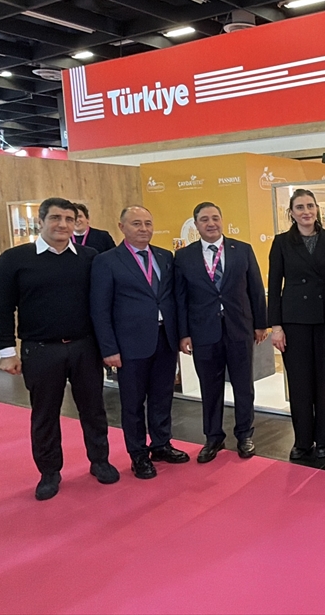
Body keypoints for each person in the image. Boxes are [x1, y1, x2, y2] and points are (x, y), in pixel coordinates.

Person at [0, 197, 118, 501]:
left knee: (94, 409)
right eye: (55, 218)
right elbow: (2, 308)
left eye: (69, 219)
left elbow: (103, 305)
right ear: (41, 221)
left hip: (85, 347)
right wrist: (6, 351)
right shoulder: (14, 259)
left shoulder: (90, 257)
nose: (63, 224)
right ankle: (49, 472)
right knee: (45, 414)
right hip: (40, 350)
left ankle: (99, 460)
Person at [90, 206, 189, 480]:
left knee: (162, 397)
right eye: (136, 223)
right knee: (133, 403)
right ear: (121, 227)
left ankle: (161, 444)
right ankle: (138, 454)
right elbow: (100, 309)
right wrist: (108, 348)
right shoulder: (107, 261)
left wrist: (181, 334)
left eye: (148, 223)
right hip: (129, 345)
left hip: (164, 339)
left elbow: (173, 298)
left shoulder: (165, 256)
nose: (143, 228)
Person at [174, 202, 268, 462]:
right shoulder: (184, 257)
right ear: (196, 224)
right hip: (203, 332)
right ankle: (213, 437)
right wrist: (184, 333)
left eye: (215, 218)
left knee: (243, 385)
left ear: (222, 220)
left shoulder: (242, 250)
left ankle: (245, 435)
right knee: (210, 388)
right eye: (204, 219)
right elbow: (180, 298)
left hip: (239, 329)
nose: (211, 223)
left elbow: (255, 288)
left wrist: (261, 324)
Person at [268, 190, 325, 461]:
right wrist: (276, 326)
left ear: (317, 209)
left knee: (322, 381)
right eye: (299, 207)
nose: (306, 211)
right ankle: (302, 439)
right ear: (291, 212)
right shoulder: (281, 242)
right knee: (299, 382)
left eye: (310, 206)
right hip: (294, 321)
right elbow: (274, 285)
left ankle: (323, 438)